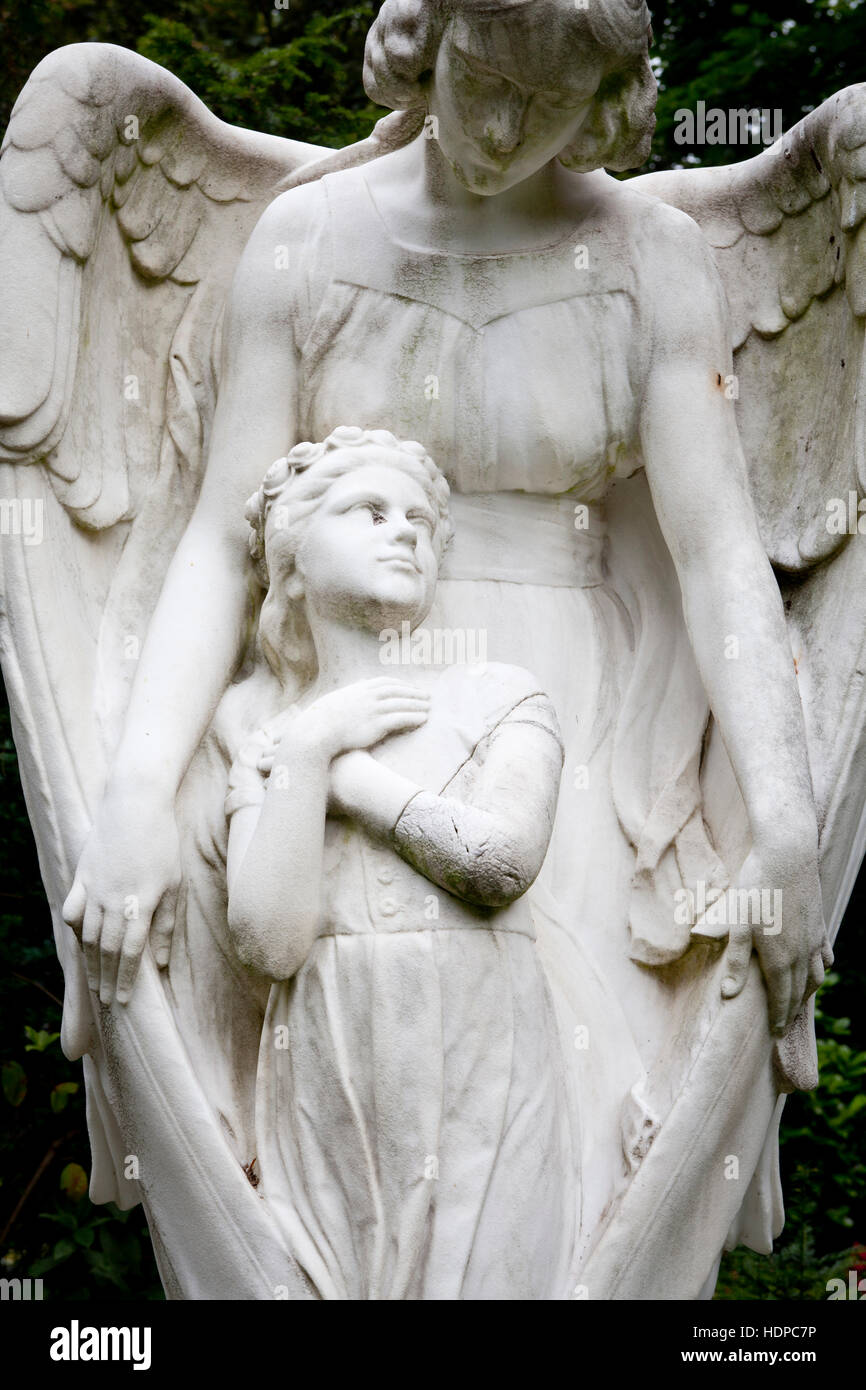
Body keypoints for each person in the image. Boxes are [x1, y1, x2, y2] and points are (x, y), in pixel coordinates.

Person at [63, 0, 830, 1259]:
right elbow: (215, 537)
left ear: (603, 109)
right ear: (429, 41)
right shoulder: (305, 241)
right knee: (348, 1135)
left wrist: (786, 821)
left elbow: (713, 556)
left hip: (565, 729)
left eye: (543, 104)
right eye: (479, 76)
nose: (492, 124)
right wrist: (141, 793)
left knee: (553, 1186)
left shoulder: (650, 260)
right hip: (338, 678)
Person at [221, 427, 573, 1299]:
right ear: (291, 561)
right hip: (330, 1051)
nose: (405, 530)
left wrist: (349, 776)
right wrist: (304, 758)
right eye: (369, 511)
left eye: (420, 517)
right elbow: (268, 945)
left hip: (482, 1051)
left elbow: (500, 861)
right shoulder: (270, 741)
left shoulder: (500, 694)